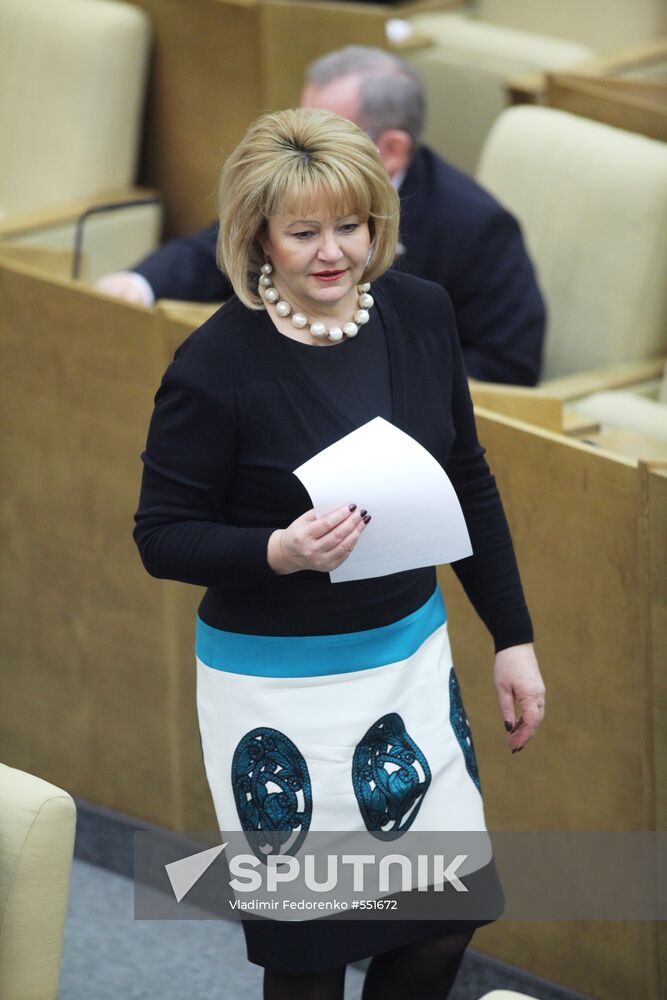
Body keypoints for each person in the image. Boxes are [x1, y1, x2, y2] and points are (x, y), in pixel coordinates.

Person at [134, 107, 545, 1000]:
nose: (333, 253)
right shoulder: (213, 367)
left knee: (441, 923)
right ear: (258, 239)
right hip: (280, 697)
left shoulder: (420, 313)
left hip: (407, 665)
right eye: (304, 232)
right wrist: (276, 550)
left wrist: (510, 637)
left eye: (351, 227)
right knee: (310, 957)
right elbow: (160, 536)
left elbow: (465, 479)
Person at [100, 46, 545, 386]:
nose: (303, 141)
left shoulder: (477, 226)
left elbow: (508, 365)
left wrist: (370, 379)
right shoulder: (298, 180)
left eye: (330, 130)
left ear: (390, 150)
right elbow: (216, 247)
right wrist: (140, 285)